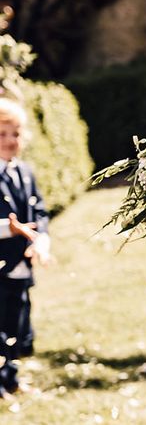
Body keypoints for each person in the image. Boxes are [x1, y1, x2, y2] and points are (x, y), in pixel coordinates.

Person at [0, 97, 50, 398]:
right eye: (2, 134)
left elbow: (40, 212)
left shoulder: (25, 172)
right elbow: (15, 222)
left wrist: (41, 239)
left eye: (15, 134)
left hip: (22, 263)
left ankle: (11, 378)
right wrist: (10, 228)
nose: (10, 140)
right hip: (0, 264)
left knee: (17, 324)